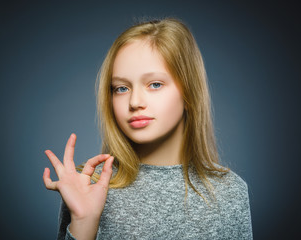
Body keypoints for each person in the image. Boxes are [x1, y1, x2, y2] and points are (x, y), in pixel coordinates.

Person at [43, 18, 253, 240]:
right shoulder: (86, 184)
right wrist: (84, 222)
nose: (134, 102)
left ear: (189, 92)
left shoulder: (230, 192)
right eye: (121, 88)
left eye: (155, 84)